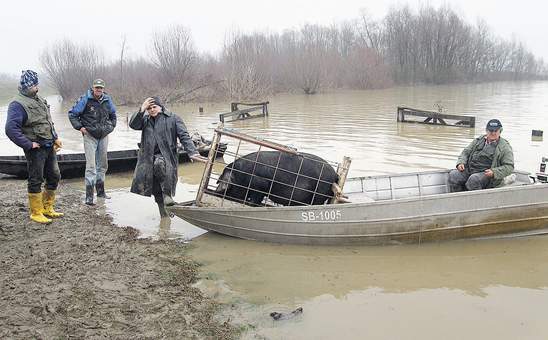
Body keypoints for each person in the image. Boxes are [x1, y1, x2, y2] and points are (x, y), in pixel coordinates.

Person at [129, 97, 207, 217]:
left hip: (167, 158)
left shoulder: (173, 118)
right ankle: (164, 218)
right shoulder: (145, 120)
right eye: (149, 108)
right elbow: (133, 125)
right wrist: (141, 109)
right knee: (156, 192)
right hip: (148, 159)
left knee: (159, 164)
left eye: (154, 107)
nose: (152, 110)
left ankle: (167, 196)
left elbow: (184, 136)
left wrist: (193, 152)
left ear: (161, 107)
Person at [5, 70, 63, 224]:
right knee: (36, 179)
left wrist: (55, 137)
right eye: (34, 85)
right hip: (35, 148)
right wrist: (28, 144)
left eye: (37, 84)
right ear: (27, 86)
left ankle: (47, 207)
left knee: (54, 176)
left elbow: (47, 121)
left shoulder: (39, 99)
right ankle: (36, 212)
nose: (37, 87)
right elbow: (11, 129)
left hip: (49, 145)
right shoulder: (17, 104)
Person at [68, 79, 117, 205]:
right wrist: (80, 127)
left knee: (103, 165)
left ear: (103, 88)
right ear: (93, 88)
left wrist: (111, 127)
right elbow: (72, 114)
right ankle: (89, 197)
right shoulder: (85, 99)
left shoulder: (107, 99)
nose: (98, 90)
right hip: (90, 136)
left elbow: (113, 114)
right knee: (91, 166)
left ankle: (101, 192)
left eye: (100, 88)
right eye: (96, 88)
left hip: (104, 136)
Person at [448, 119, 514, 192]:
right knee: (453, 175)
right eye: (491, 130)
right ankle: (457, 199)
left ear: (500, 131)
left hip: (487, 176)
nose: (493, 133)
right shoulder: (479, 140)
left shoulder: (505, 147)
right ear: (486, 130)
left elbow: (509, 167)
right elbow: (466, 152)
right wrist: (461, 162)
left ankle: (474, 202)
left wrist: (494, 172)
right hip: (471, 170)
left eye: (496, 131)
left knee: (474, 179)